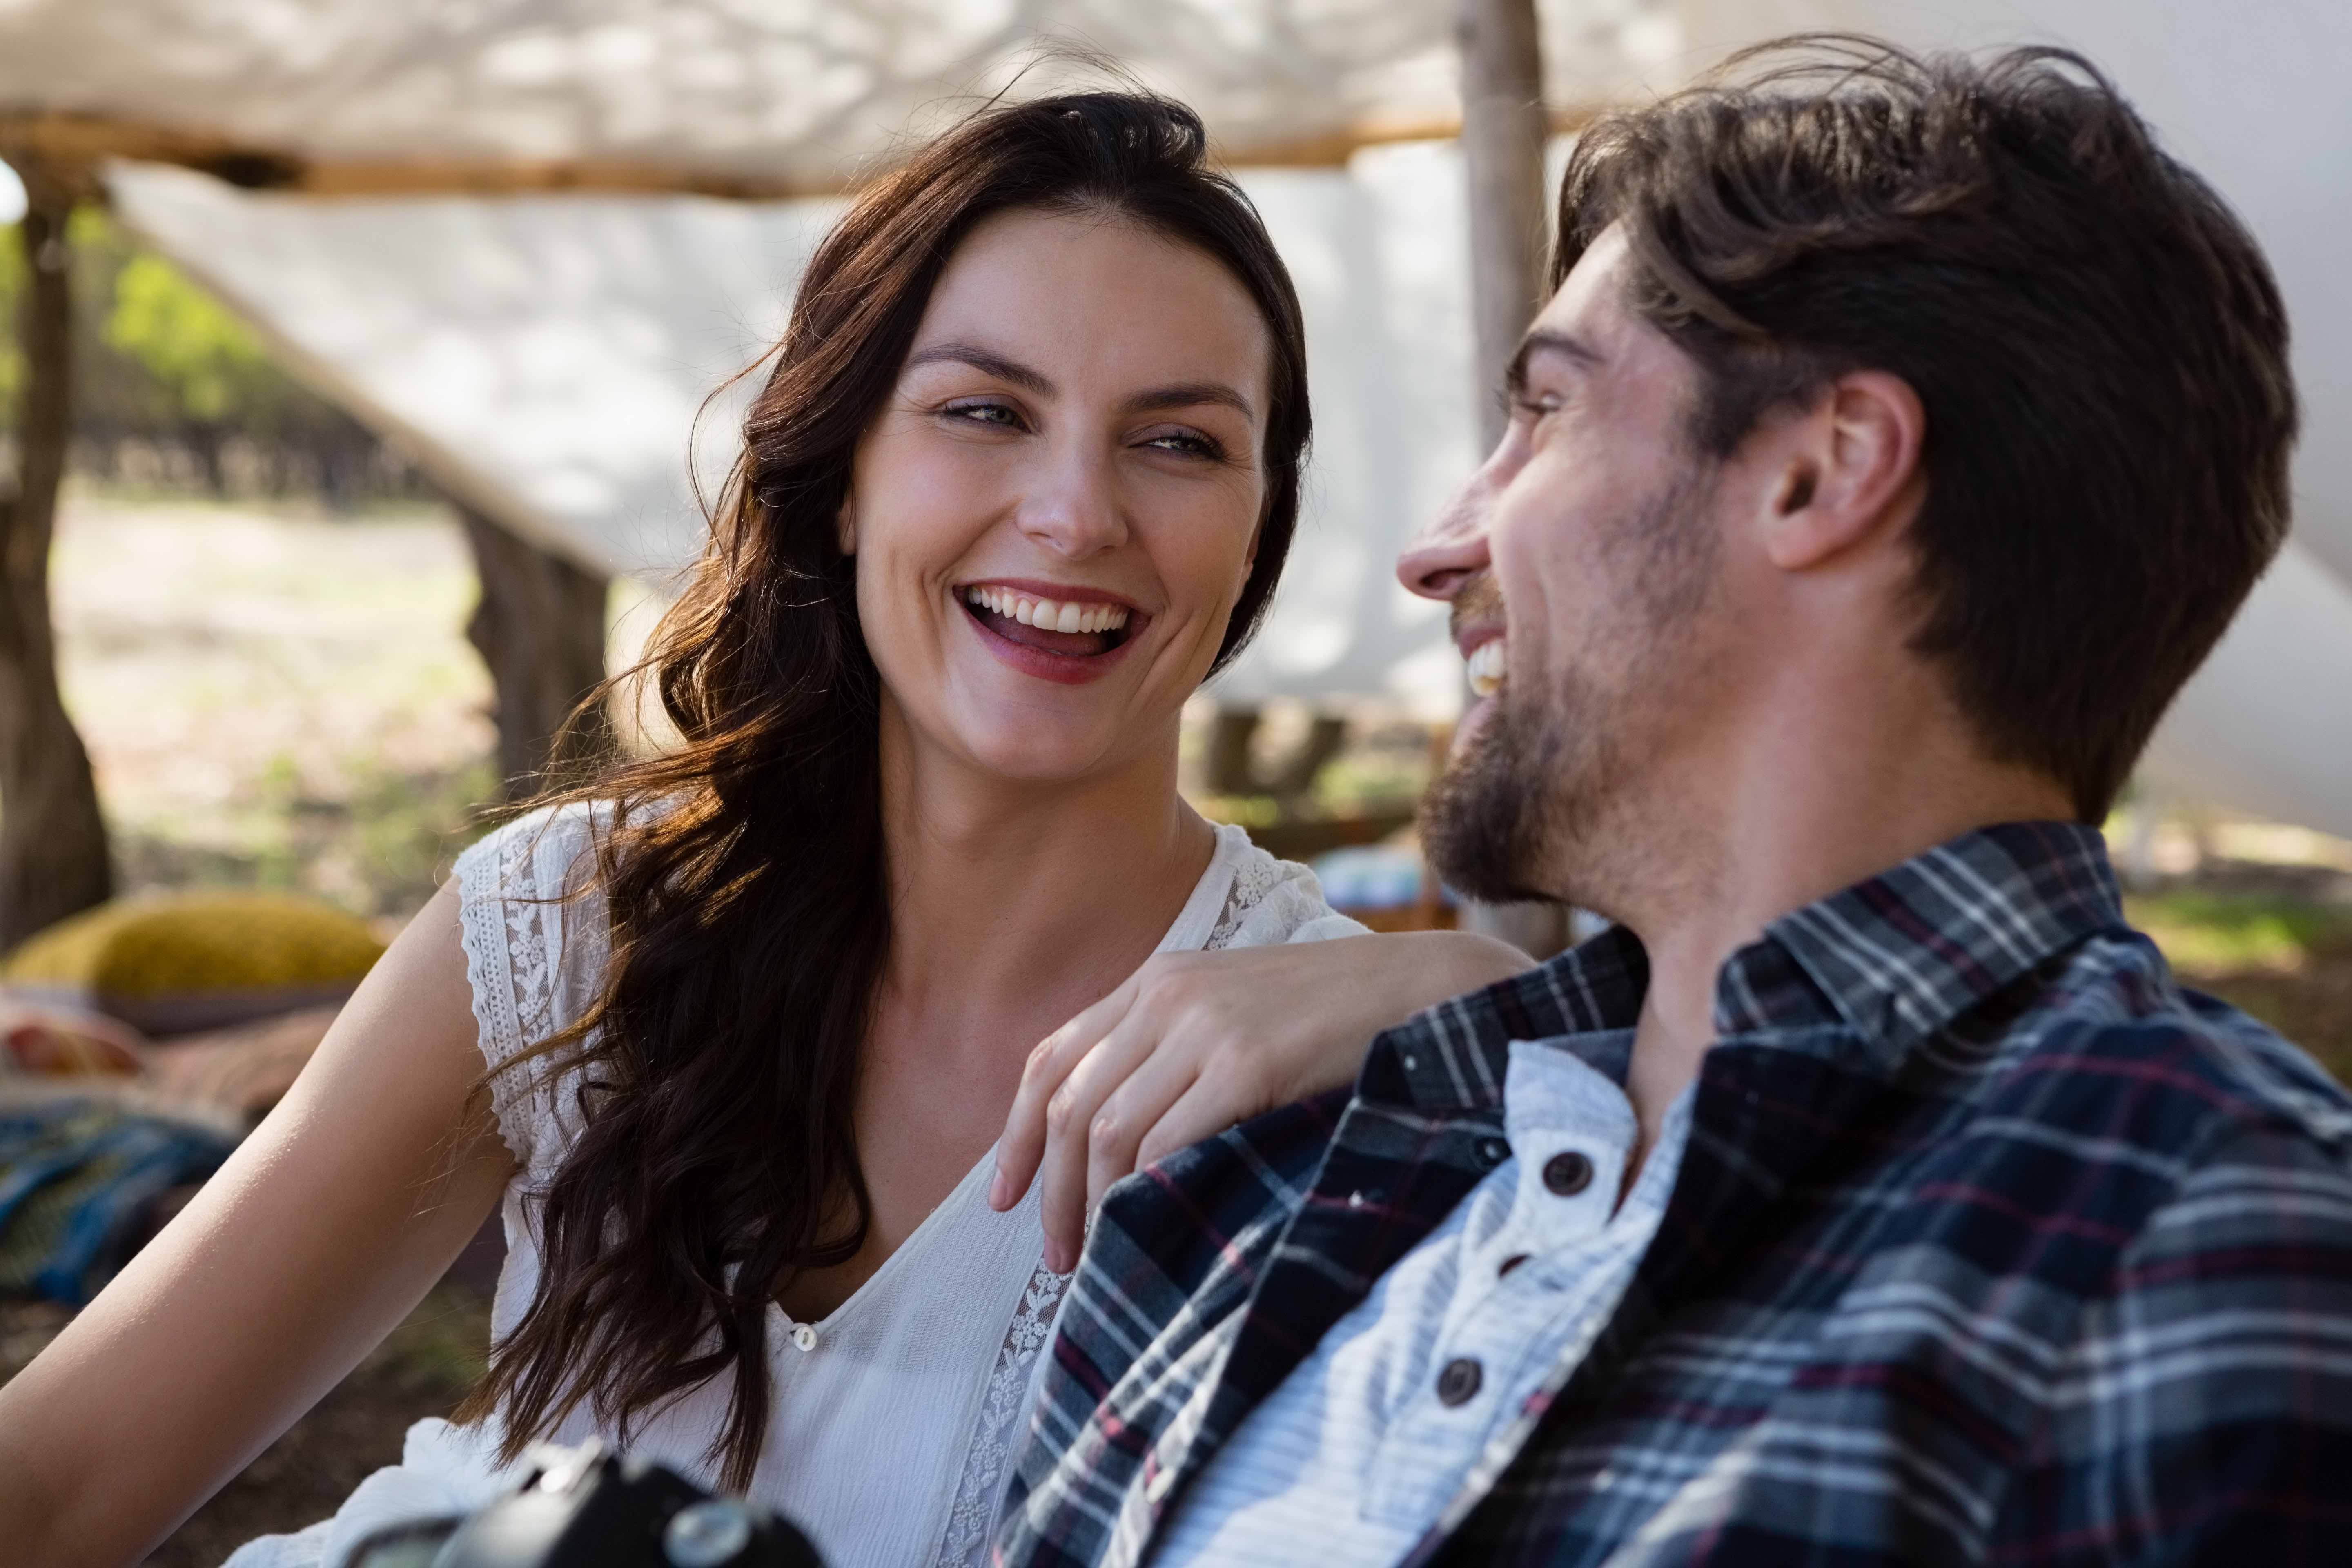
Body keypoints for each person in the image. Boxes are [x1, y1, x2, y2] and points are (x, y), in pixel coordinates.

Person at [0, 93, 1531, 1568]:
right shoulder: (566, 927)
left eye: (1180, 442)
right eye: (985, 411)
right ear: (848, 476)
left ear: (1264, 524)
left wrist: (1484, 1001)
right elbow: (64, 1483)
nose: (1075, 513)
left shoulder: (1335, 1065)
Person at [998, 38, 2352, 1568]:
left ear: (1822, 474)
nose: (1438, 551)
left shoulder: (2213, 1249)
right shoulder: (1268, 1182)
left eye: (1549, 415)